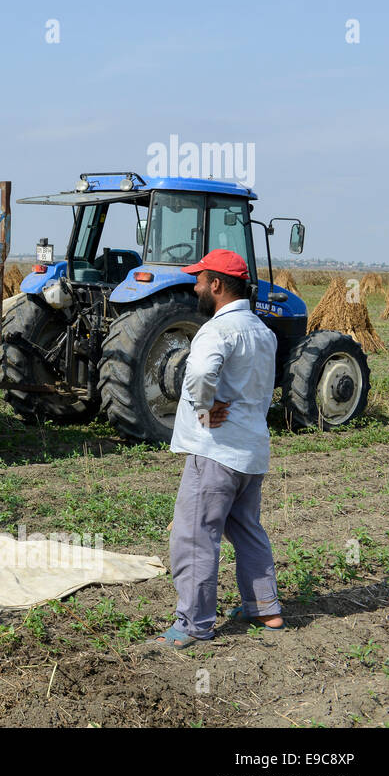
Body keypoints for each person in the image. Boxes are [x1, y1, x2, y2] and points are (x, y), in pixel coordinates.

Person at [152, 248, 287, 649]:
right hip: (251, 452)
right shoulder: (264, 332)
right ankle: (265, 608)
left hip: (216, 452)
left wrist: (205, 405)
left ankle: (193, 625)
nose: (195, 286)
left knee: (194, 535)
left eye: (199, 280)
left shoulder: (215, 330)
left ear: (216, 285)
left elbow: (199, 371)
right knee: (246, 529)